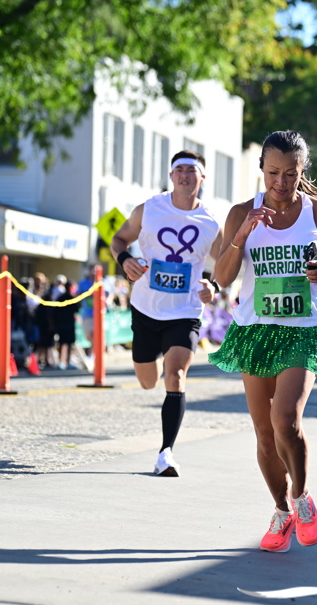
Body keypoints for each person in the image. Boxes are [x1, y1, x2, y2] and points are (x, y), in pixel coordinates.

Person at [208, 130, 317, 553]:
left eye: (291, 173)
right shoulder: (242, 212)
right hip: (255, 330)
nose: (281, 182)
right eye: (273, 172)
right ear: (261, 168)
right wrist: (241, 236)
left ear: (302, 170)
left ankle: (302, 498)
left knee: (285, 421)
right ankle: (280, 511)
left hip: (303, 329)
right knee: (263, 434)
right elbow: (222, 277)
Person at [111, 149, 222, 477]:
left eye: (192, 170)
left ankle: (166, 454)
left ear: (202, 178)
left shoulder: (210, 222)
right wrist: (124, 260)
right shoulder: (149, 209)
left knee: (176, 376)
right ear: (171, 176)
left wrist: (214, 285)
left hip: (185, 310)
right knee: (148, 382)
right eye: (180, 170)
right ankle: (157, 361)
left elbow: (226, 263)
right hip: (146, 308)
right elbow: (118, 239)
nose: (185, 175)